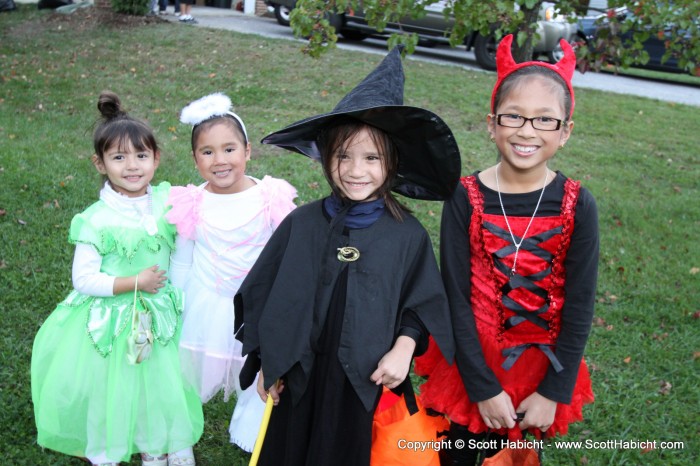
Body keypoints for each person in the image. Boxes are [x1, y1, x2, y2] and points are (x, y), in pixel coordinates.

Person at [233, 47, 461, 466]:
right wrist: (270, 361)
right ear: (326, 158)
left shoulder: (406, 236)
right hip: (300, 376)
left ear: (392, 162)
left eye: (371, 158)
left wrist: (403, 349)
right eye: (343, 156)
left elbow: (421, 303)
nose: (356, 170)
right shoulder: (302, 224)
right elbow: (269, 294)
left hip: (362, 382)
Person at [415, 34, 598, 465]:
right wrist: (481, 387)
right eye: (513, 116)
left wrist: (554, 390)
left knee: (516, 458)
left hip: (543, 369)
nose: (527, 131)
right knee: (457, 455)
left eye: (544, 120)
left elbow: (581, 306)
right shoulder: (464, 198)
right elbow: (455, 297)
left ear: (565, 131)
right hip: (471, 362)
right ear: (492, 123)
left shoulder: (578, 204)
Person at [31, 91, 203, 466]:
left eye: (142, 156)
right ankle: (112, 445)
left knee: (159, 381)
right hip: (114, 320)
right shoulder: (96, 219)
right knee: (119, 383)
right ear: (100, 163)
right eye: (119, 157)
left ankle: (159, 443)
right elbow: (84, 279)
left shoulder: (167, 202)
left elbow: (183, 250)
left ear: (156, 158)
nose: (132, 166)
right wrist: (133, 282)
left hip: (156, 316)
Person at [166, 93, 297, 451]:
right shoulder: (193, 202)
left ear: (248, 151)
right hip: (205, 302)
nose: (219, 160)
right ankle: (178, 440)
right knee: (187, 373)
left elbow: (287, 255)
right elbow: (182, 260)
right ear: (195, 160)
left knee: (257, 371)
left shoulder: (270, 197)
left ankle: (251, 435)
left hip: (257, 307)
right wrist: (175, 305)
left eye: (229, 149)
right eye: (207, 152)